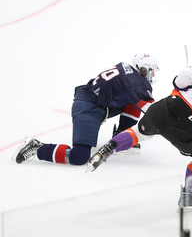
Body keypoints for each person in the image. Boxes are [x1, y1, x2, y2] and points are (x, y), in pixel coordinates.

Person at [85, 63, 192, 212]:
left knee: (138, 132)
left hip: (165, 107)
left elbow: (180, 81)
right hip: (186, 129)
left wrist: (187, 82)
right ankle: (189, 196)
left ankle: (109, 148)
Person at [12, 52, 159, 166]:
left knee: (133, 101)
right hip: (88, 107)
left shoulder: (127, 70)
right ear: (143, 69)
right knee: (79, 157)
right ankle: (37, 148)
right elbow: (153, 110)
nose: (152, 75)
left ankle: (121, 133)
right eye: (151, 71)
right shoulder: (134, 82)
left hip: (99, 102)